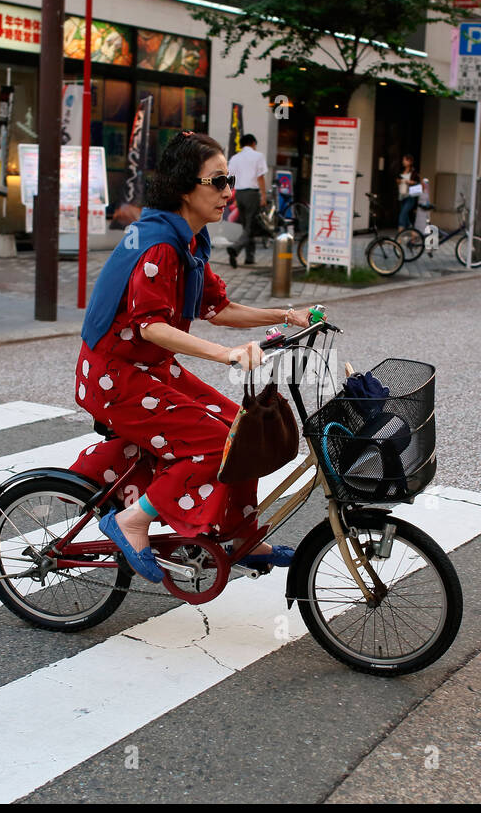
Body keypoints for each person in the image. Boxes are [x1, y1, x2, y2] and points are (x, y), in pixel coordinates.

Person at [71, 131, 310, 583]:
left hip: (148, 369)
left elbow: (218, 309)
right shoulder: (161, 246)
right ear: (185, 187)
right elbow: (151, 326)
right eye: (217, 181)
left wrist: (285, 315)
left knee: (242, 434)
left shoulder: (190, 242)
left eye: (230, 179)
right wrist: (225, 355)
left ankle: (240, 535)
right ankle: (131, 520)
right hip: (116, 376)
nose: (227, 191)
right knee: (212, 443)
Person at [225, 133, 268, 268]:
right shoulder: (258, 156)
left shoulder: (235, 158)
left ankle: (250, 257)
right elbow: (260, 177)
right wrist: (263, 195)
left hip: (239, 194)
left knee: (247, 226)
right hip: (251, 194)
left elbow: (229, 176)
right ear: (253, 143)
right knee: (251, 226)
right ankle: (235, 249)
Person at [396, 154, 422, 229]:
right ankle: (413, 232)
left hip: (410, 196)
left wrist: (410, 182)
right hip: (402, 195)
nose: (403, 161)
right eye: (403, 160)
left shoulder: (414, 172)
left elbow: (418, 182)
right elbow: (397, 180)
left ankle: (399, 236)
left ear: (410, 161)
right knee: (405, 216)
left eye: (405, 160)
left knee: (402, 214)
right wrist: (399, 181)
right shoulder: (401, 171)